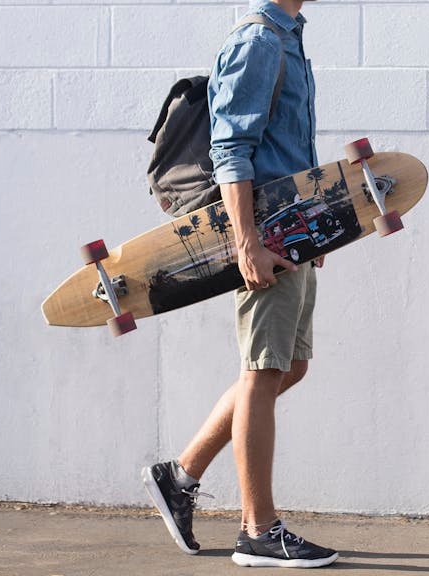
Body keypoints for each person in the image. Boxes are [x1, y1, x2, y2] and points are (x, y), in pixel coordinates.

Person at [141, 0, 338, 568]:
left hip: (293, 230)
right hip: (264, 235)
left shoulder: (289, 37)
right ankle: (258, 530)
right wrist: (247, 240)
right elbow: (230, 148)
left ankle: (180, 476)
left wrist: (317, 226)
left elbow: (292, 148)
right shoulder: (258, 42)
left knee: (290, 365)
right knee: (263, 370)